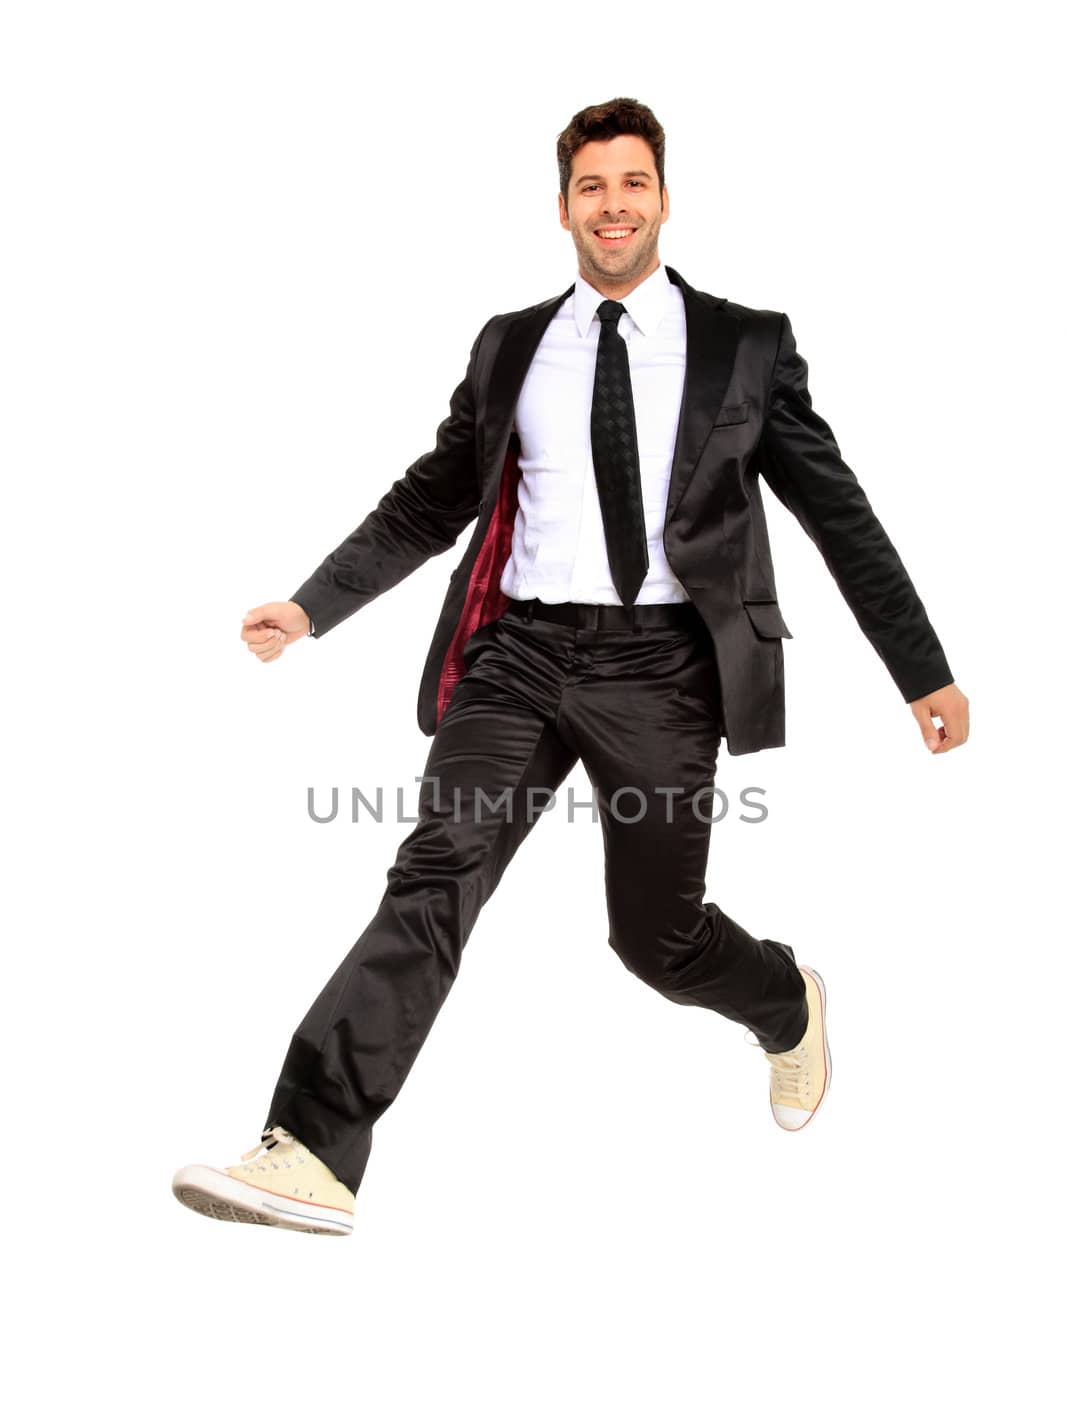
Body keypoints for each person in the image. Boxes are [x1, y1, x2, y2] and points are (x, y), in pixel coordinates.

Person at [172, 96, 969, 1237]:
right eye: (590, 187)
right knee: (434, 872)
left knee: (656, 940)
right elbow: (434, 496)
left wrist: (920, 670)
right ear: (561, 207)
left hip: (663, 667)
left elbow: (839, 515)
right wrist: (312, 603)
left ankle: (787, 1002)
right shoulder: (510, 345)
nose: (612, 206)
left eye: (631, 183)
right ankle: (309, 1147)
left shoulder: (743, 344)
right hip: (519, 652)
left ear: (663, 198)